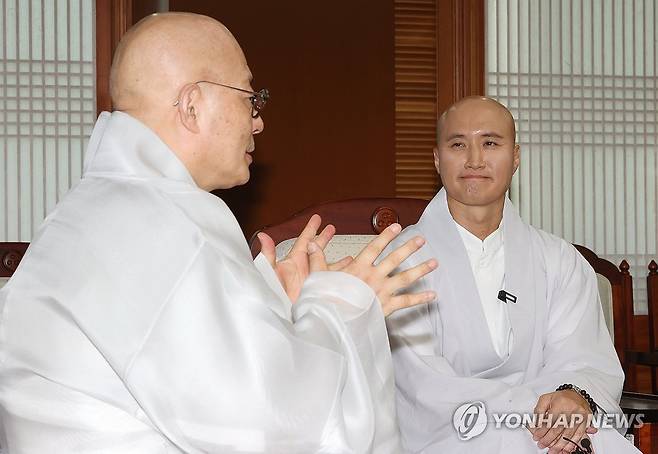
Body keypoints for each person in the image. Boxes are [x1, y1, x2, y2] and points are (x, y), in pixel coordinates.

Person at [0, 13, 438, 453]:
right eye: (250, 98)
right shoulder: (168, 223)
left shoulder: (89, 210)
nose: (258, 122)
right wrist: (346, 305)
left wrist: (272, 304)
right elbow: (271, 427)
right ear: (192, 105)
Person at [384, 96, 641, 453]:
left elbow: (584, 359)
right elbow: (420, 385)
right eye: (458, 145)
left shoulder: (558, 259)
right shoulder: (401, 261)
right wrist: (528, 410)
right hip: (449, 436)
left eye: (490, 143)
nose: (475, 159)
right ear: (437, 159)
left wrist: (572, 396)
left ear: (516, 157)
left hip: (550, 432)